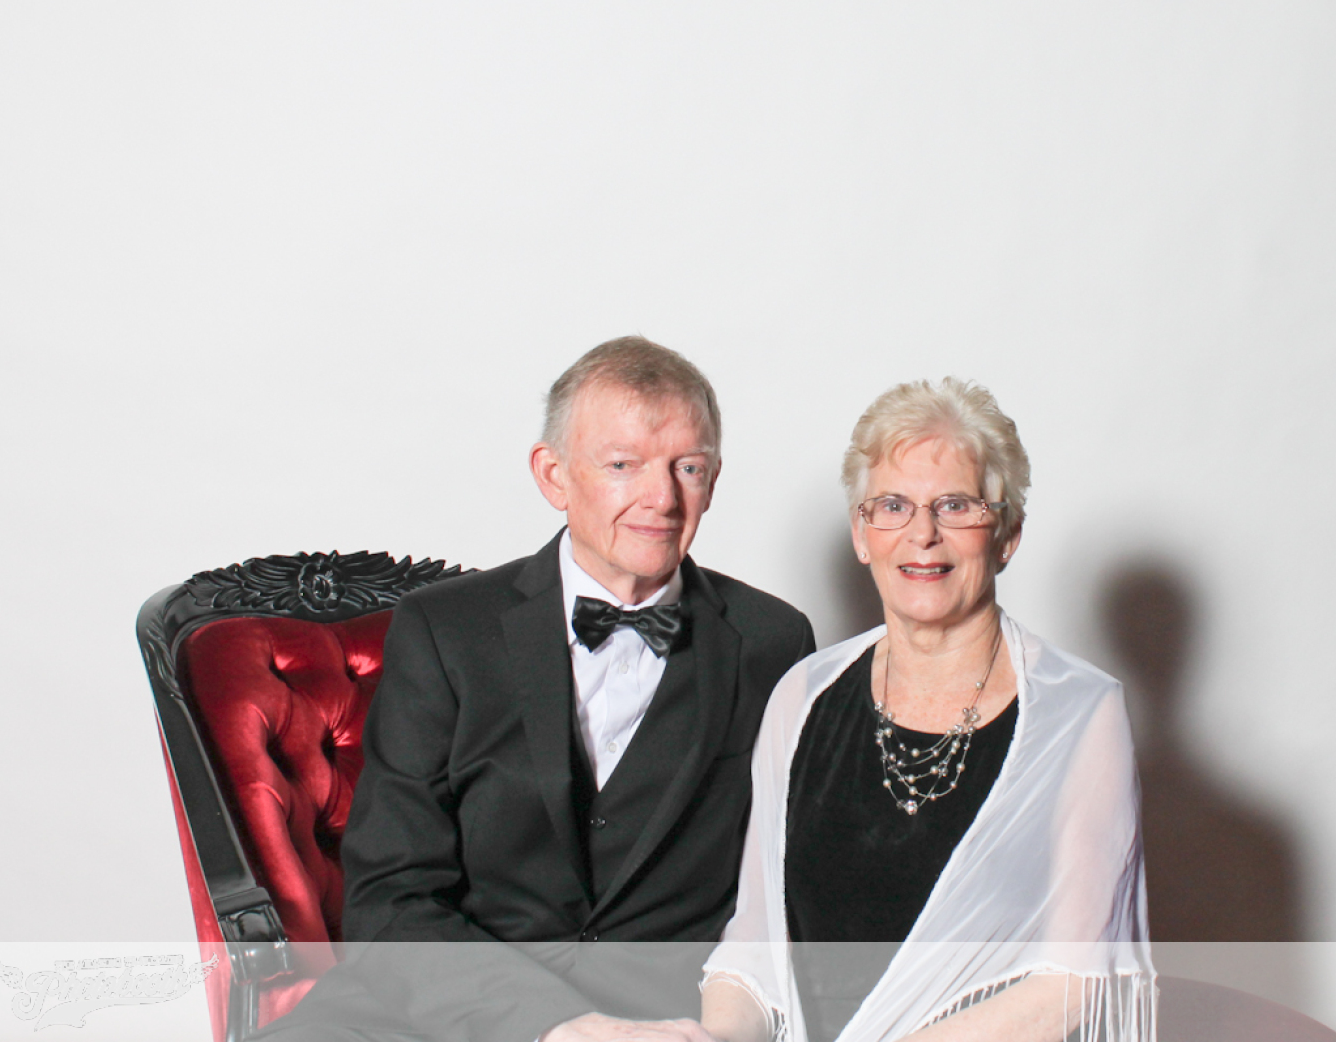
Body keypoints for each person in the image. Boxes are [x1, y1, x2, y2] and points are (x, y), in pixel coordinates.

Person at [259, 337, 815, 1042]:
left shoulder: (772, 641)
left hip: (667, 1015)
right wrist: (554, 1024)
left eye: (689, 467)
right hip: (449, 1000)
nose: (662, 498)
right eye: (623, 465)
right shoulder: (444, 629)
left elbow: (789, 888)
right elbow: (390, 894)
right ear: (553, 476)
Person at [699, 378, 1154, 1042]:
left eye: (955, 505)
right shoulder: (802, 696)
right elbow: (752, 953)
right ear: (862, 534)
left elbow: (1072, 986)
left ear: (1007, 534)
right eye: (893, 506)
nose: (922, 534)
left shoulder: (1080, 712)